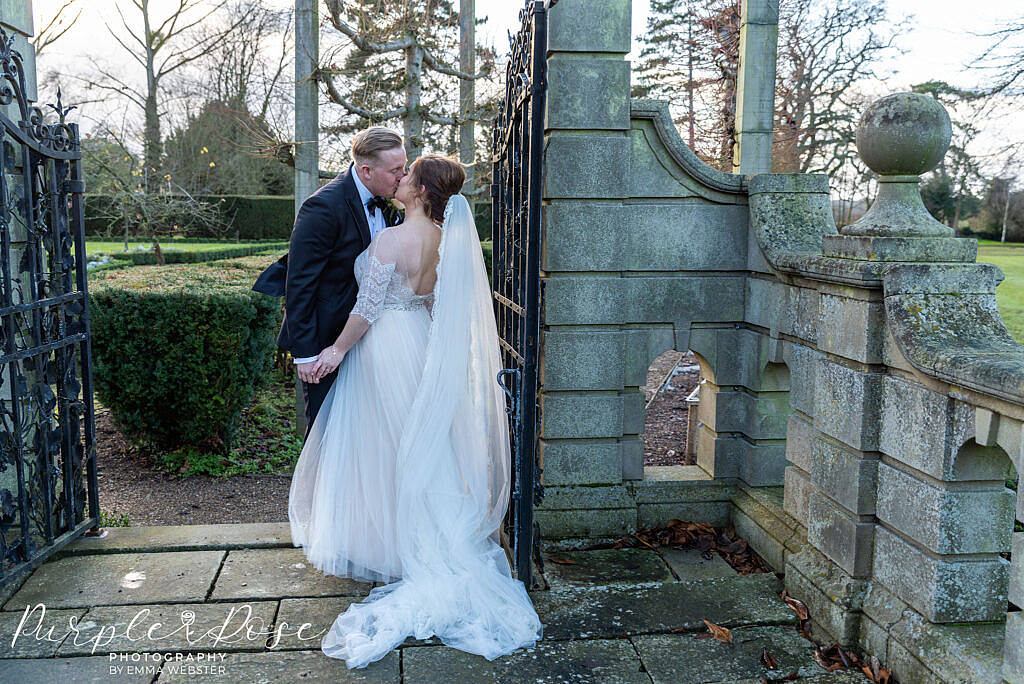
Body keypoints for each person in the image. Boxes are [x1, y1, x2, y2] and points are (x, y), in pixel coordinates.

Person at [287, 155, 543, 669]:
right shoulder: (446, 241)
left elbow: (367, 309)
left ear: (422, 188)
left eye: (407, 174)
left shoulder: (389, 240)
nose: (399, 179)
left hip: (381, 350)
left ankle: (390, 546)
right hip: (419, 344)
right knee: (419, 444)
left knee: (383, 443)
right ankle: (409, 536)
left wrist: (334, 352)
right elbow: (431, 304)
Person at [252, 127, 407, 434]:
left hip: (373, 341)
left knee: (363, 437)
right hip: (325, 345)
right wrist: (306, 355)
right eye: (395, 170)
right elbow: (300, 283)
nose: (404, 176)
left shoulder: (388, 202)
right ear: (366, 170)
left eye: (404, 166)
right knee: (327, 435)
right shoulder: (323, 207)